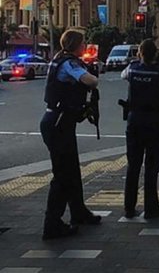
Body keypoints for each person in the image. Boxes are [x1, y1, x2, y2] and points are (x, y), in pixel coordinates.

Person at [40, 29, 101, 240]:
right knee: (62, 175)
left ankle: (78, 212)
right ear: (76, 44)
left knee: (72, 170)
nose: (85, 46)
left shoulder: (60, 59)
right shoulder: (69, 63)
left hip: (59, 122)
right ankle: (52, 224)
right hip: (58, 123)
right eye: (83, 43)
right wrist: (92, 73)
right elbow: (90, 81)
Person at [121, 39, 159, 219]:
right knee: (152, 167)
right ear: (156, 53)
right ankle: (151, 207)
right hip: (156, 122)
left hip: (134, 121)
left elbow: (124, 76)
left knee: (133, 166)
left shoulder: (132, 68)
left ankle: (129, 207)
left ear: (139, 53)